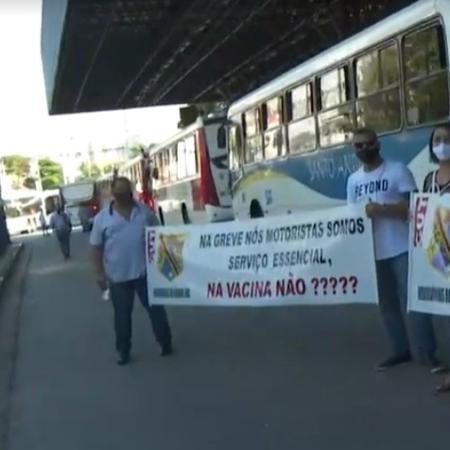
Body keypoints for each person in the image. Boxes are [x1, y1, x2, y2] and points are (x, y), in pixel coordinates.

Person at [347, 128, 441, 371]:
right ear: (353, 149)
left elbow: (414, 208)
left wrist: (382, 209)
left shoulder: (397, 170)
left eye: (368, 144)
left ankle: (427, 353)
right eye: (358, 146)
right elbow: (352, 218)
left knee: (414, 302)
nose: (364, 149)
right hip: (372, 253)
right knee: (387, 304)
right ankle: (400, 350)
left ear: (378, 144)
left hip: (402, 247)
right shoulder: (353, 181)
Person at [90, 177, 172, 365]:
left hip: (145, 273)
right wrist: (99, 274)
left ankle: (165, 342)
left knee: (156, 310)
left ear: (131, 193)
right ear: (113, 194)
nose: (123, 197)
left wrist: (165, 264)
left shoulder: (144, 212)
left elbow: (160, 236)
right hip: (117, 278)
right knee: (122, 317)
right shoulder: (102, 219)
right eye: (119, 193)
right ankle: (123, 351)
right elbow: (96, 248)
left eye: (126, 193)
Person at [422, 122, 450, 392]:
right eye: (437, 140)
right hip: (438, 255)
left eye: (447, 139)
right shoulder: (429, 180)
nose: (442, 144)